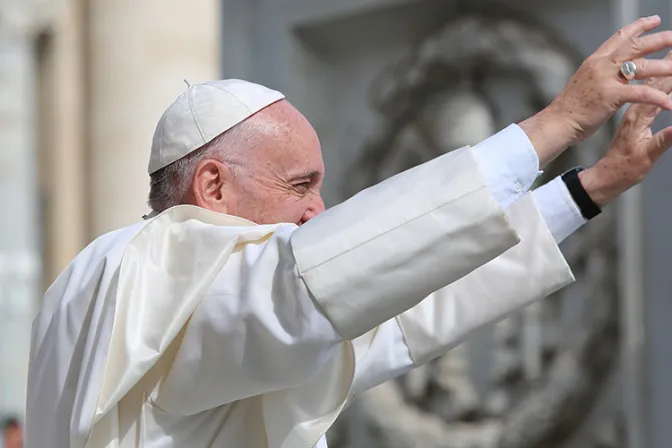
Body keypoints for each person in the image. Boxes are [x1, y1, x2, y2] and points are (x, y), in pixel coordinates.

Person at [25, 16, 672, 448]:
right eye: (299, 185)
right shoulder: (169, 272)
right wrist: (558, 124)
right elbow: (305, 285)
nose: (318, 209)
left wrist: (589, 189)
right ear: (213, 186)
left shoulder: (105, 280)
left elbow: (406, 315)